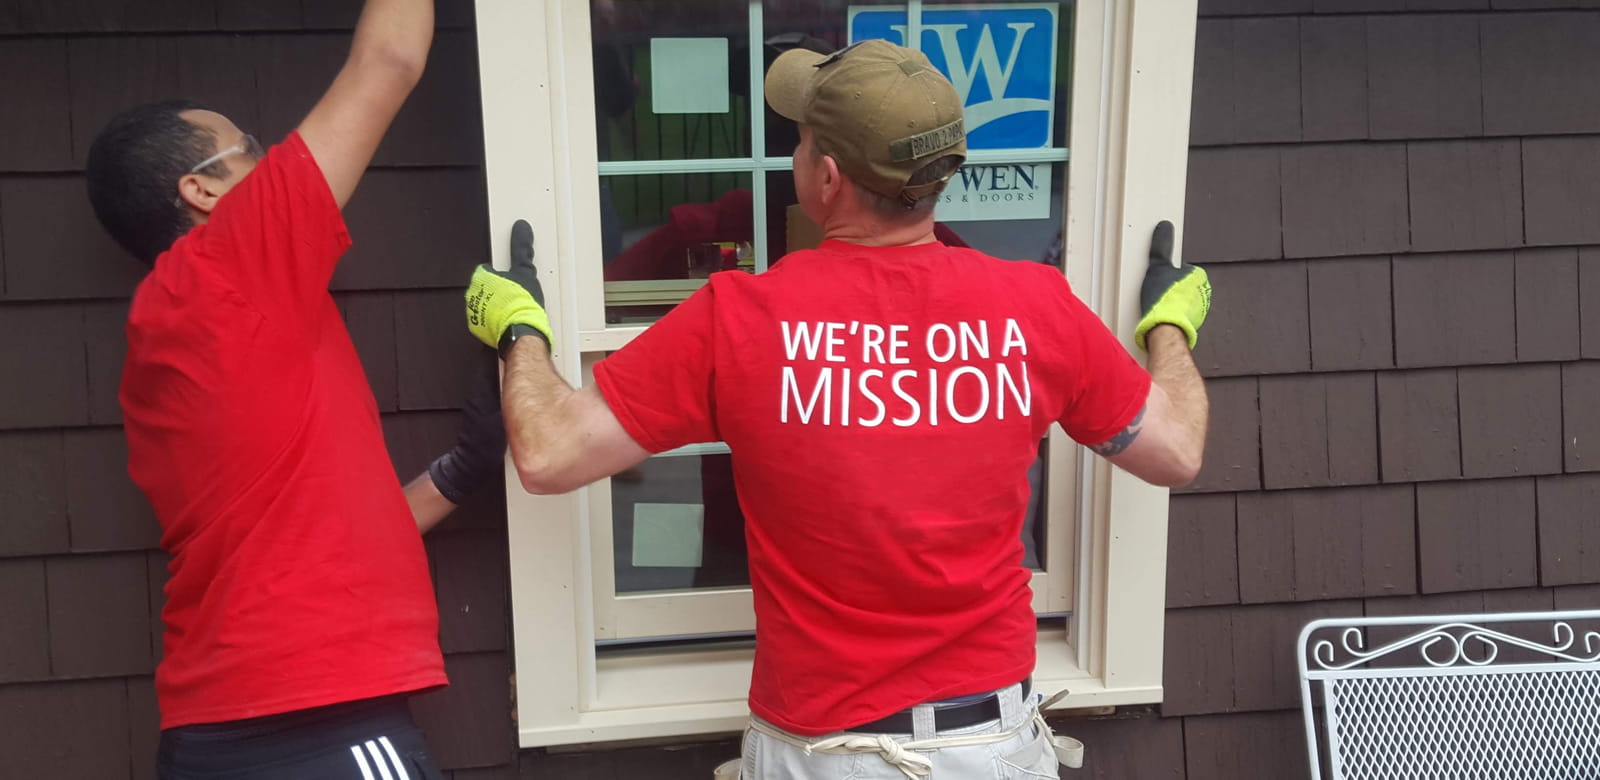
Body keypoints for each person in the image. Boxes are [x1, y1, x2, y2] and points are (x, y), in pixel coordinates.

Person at [464, 40, 1211, 779]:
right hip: (991, 745)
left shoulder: (741, 319)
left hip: (827, 756)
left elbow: (549, 452)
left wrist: (520, 332)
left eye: (801, 140)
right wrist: (1169, 330)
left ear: (825, 177)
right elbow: (1175, 450)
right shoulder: (1038, 309)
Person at [81, 1, 500, 777]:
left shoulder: (172, 337)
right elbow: (390, 59)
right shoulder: (226, 269)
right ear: (201, 193)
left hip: (222, 731)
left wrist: (458, 474)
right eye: (244, 149)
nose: (269, 154)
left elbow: (296, 539)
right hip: (315, 728)